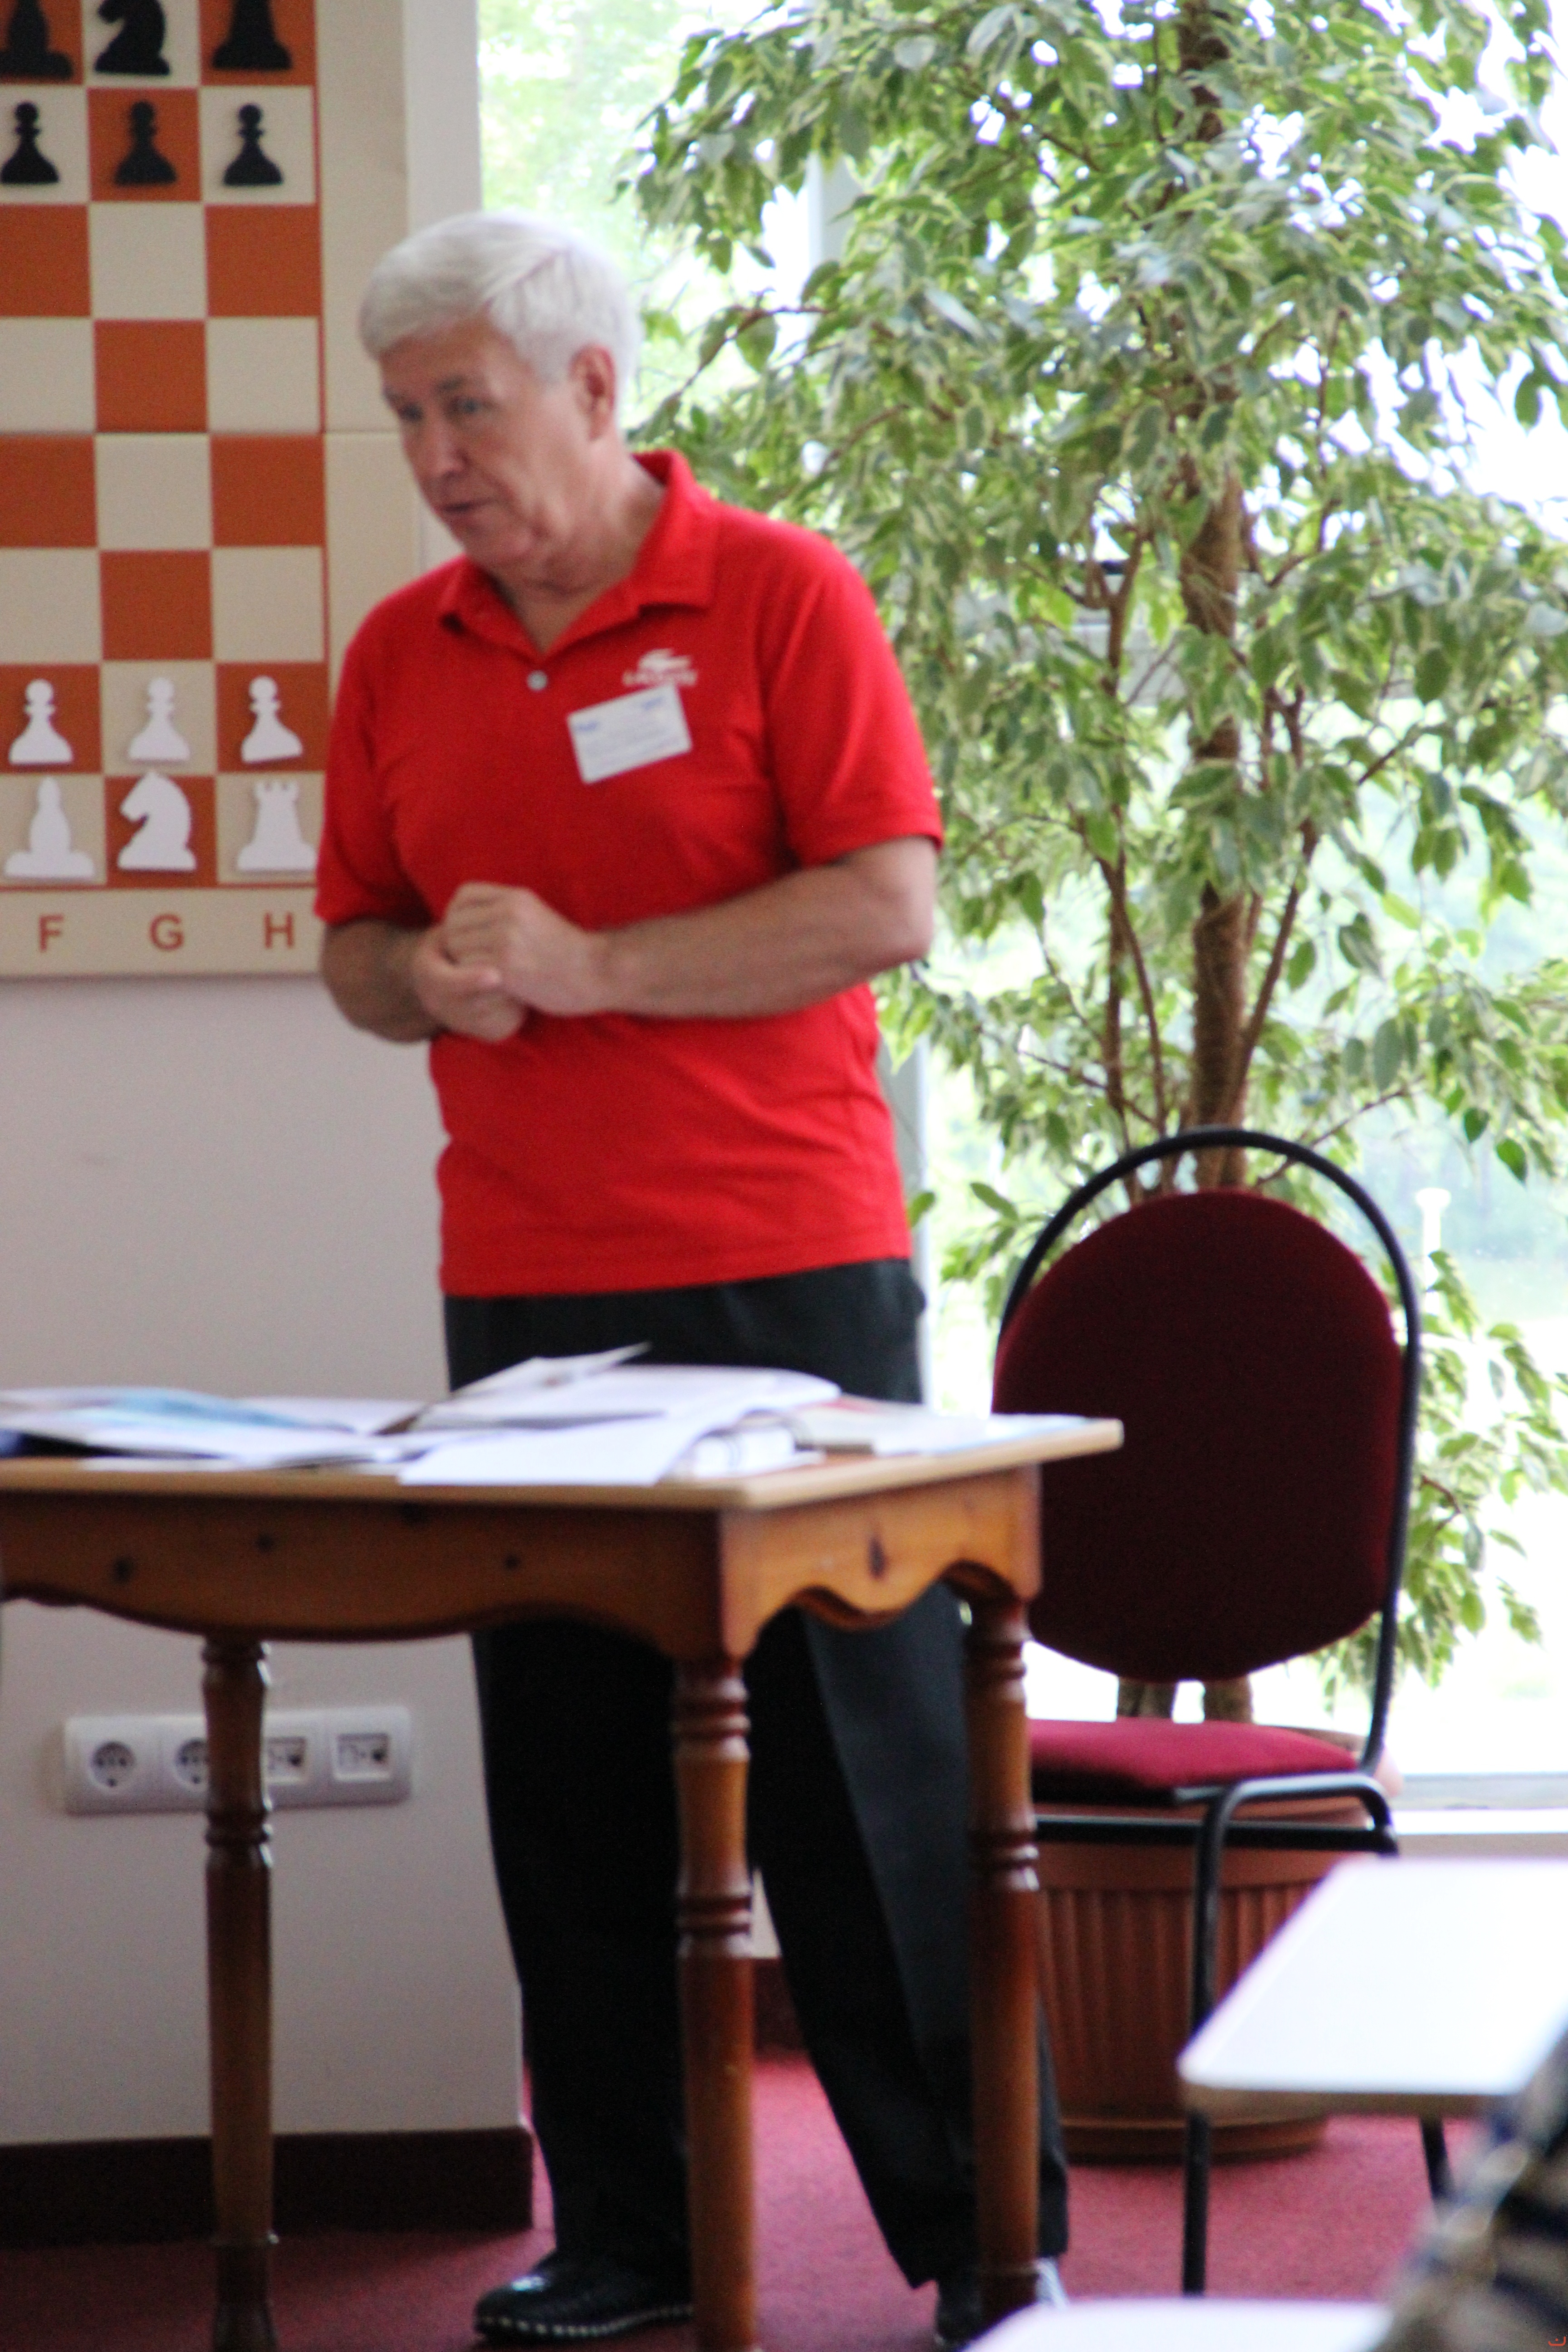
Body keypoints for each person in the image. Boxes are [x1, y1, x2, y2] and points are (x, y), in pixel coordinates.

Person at [315, 208, 1068, 2352]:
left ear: (594, 388)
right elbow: (351, 945)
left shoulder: (781, 593)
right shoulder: (399, 653)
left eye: (467, 406)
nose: (435, 455)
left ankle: (983, 2242)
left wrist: (596, 969)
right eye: (405, 416)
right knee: (569, 1788)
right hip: (521, 1292)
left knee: (861, 1779)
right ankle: (627, 2237)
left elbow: (887, 904)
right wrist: (424, 983)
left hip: (788, 1272)